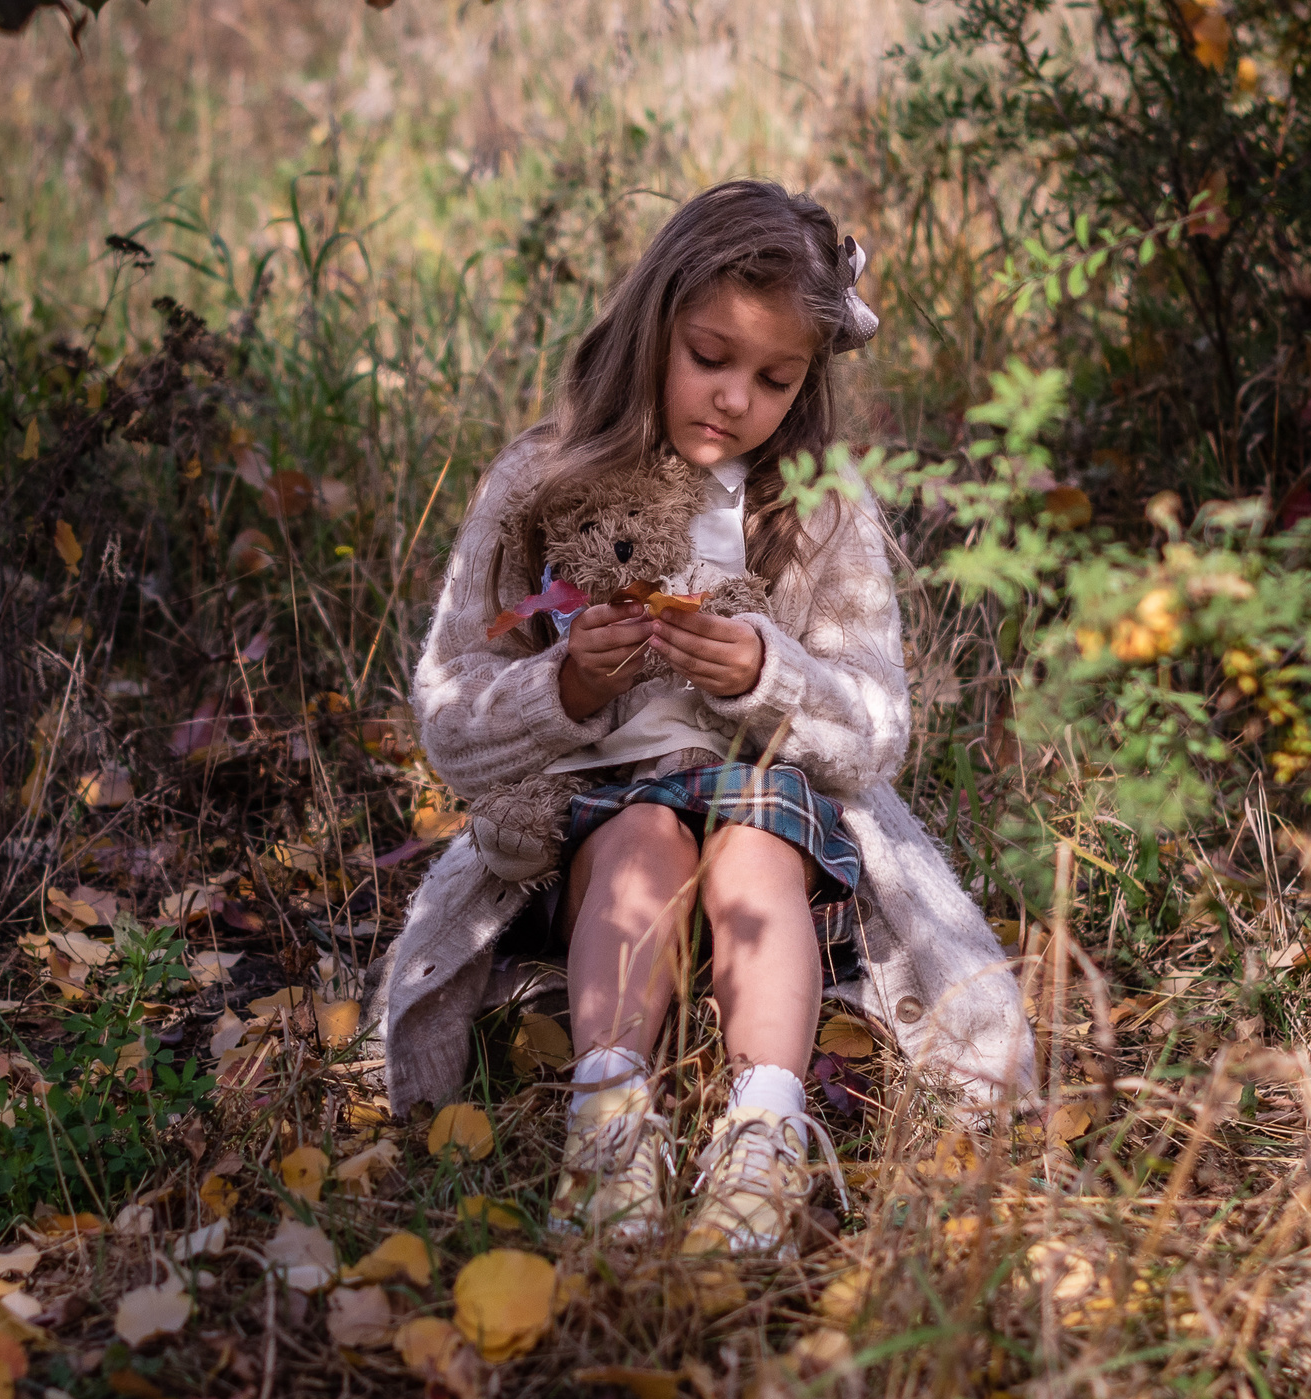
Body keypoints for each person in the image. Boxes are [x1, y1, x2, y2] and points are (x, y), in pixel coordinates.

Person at [371, 181, 1034, 1256]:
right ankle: (610, 1126)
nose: (733, 399)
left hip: (765, 809)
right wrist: (568, 689)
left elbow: (874, 731)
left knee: (756, 851)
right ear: (651, 327)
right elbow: (448, 720)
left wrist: (769, 677)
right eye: (709, 357)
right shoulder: (542, 478)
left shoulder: (815, 503)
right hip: (592, 814)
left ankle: (765, 1132)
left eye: (773, 379)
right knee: (638, 842)